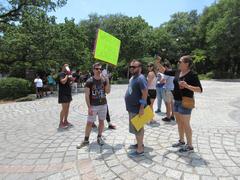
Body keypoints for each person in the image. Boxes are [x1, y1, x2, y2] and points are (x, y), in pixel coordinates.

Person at [156, 55, 203, 152]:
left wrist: (187, 86)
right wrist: (158, 62)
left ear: (187, 64)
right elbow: (164, 71)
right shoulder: (178, 72)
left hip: (185, 101)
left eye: (180, 61)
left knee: (186, 124)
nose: (178, 63)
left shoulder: (192, 74)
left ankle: (189, 146)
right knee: (179, 123)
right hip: (176, 101)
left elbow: (199, 90)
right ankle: (181, 141)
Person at [77, 63, 110, 148]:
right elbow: (87, 95)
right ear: (93, 70)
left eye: (100, 69)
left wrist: (107, 80)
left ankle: (99, 137)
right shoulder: (89, 81)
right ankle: (86, 140)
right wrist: (89, 107)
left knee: (102, 122)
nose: (99, 70)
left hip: (103, 104)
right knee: (89, 123)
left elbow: (107, 91)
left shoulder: (104, 80)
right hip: (93, 106)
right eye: (97, 69)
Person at [125, 59, 148, 157]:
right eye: (130, 67)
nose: (131, 68)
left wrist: (142, 108)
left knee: (138, 128)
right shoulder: (133, 77)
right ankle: (139, 143)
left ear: (140, 68)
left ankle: (140, 150)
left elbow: (145, 92)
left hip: (137, 109)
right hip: (132, 108)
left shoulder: (141, 78)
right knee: (136, 128)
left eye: (133, 67)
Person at [58, 64, 74, 129]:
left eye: (68, 66)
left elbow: (69, 83)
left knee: (67, 109)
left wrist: (72, 79)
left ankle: (66, 121)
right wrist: (67, 75)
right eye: (66, 66)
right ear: (63, 67)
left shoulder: (67, 74)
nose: (67, 67)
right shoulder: (62, 74)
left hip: (68, 93)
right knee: (64, 109)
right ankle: (61, 123)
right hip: (63, 94)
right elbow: (63, 82)